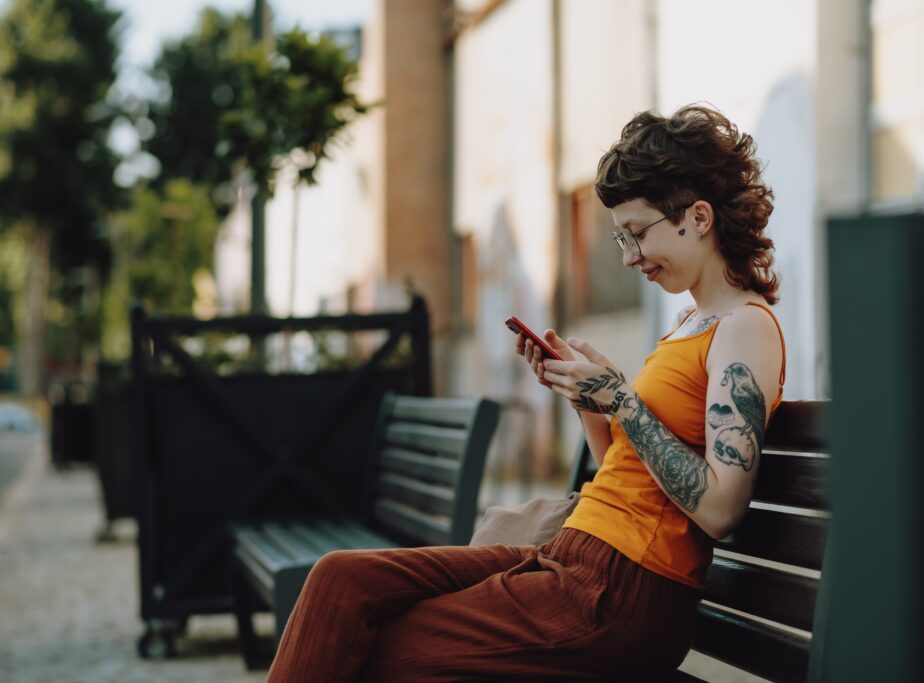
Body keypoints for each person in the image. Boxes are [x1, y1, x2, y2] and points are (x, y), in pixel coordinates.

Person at [265, 104, 785, 682]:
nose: (628, 256)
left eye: (637, 233)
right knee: (341, 579)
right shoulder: (692, 323)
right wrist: (591, 402)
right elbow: (623, 466)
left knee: (379, 649)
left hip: (621, 593)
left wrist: (622, 399)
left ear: (700, 217)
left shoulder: (745, 328)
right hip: (573, 557)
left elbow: (719, 509)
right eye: (619, 237)